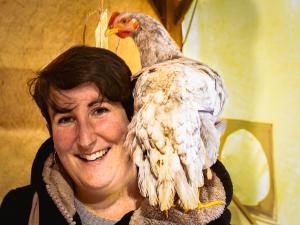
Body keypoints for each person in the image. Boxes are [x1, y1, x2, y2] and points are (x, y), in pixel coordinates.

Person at [1, 46, 233, 225]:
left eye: (99, 110)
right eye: (66, 119)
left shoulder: (200, 212)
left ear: (132, 116)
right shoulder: (19, 212)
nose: (85, 140)